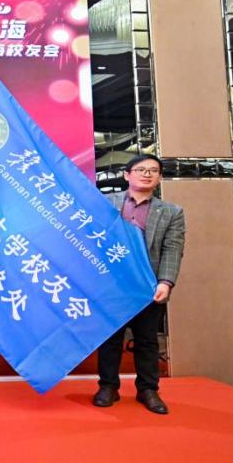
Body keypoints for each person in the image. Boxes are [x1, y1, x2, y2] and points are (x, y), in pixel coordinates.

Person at [93, 154, 186, 415]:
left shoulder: (172, 212)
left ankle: (148, 389)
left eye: (153, 170)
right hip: (112, 286)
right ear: (127, 175)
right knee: (110, 340)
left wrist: (166, 282)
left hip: (148, 287)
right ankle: (108, 387)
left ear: (159, 177)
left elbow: (172, 249)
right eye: (141, 169)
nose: (147, 174)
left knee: (147, 341)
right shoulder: (105, 203)